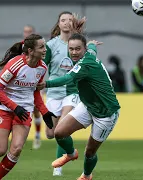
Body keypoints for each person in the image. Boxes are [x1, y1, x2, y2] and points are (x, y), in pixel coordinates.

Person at [37, 33, 121, 180]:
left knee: (89, 152)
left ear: (83, 50)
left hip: (106, 113)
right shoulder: (88, 53)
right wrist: (92, 44)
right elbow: (93, 49)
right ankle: (70, 154)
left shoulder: (85, 63)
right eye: (71, 49)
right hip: (88, 106)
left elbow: (68, 78)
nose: (74, 52)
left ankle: (86, 176)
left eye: (77, 49)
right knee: (59, 132)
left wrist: (46, 84)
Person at [0, 34, 56, 180]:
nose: (45, 49)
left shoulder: (42, 68)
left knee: (17, 149)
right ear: (31, 51)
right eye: (42, 47)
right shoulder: (15, 65)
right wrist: (14, 107)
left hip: (24, 110)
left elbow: (36, 92)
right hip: (4, 108)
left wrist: (44, 112)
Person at [43, 11, 85, 176]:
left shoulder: (79, 44)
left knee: (62, 128)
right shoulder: (51, 45)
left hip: (72, 92)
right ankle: (70, 150)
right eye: (63, 20)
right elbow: (42, 67)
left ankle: (58, 167)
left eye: (70, 20)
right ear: (58, 24)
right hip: (53, 92)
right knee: (50, 134)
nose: (67, 22)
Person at [21, 24, 43, 150]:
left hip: (33, 84)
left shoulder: (38, 48)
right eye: (25, 31)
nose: (27, 33)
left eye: (29, 31)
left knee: (35, 111)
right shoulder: (20, 47)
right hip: (21, 85)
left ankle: (38, 136)